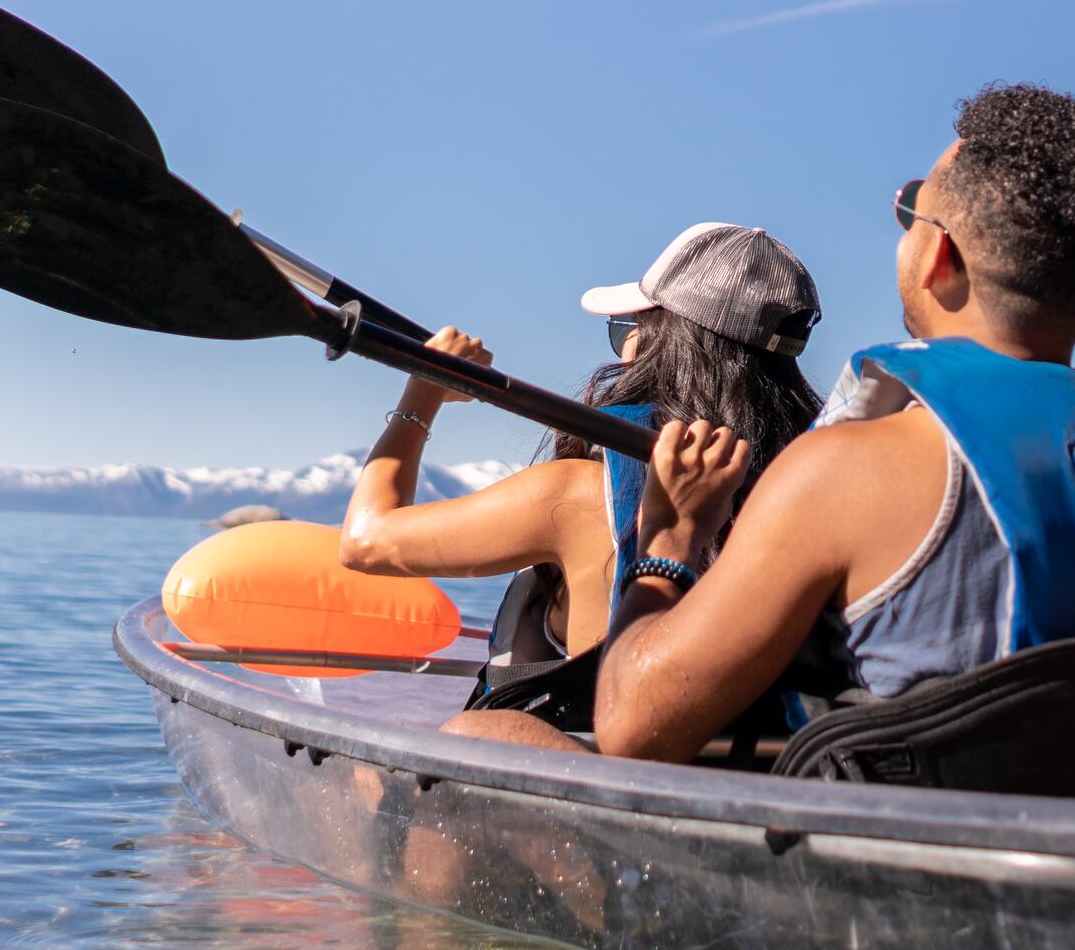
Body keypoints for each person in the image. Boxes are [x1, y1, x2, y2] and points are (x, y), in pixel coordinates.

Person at [592, 84, 1075, 773]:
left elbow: (632, 724)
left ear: (939, 255)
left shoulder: (845, 471)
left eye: (911, 208)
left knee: (499, 738)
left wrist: (670, 539)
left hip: (891, 876)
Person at [338, 223, 823, 746]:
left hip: (599, 806)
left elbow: (366, 541)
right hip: (757, 787)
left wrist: (422, 395)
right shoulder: (815, 488)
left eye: (626, 327)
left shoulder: (577, 495)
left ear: (657, 342)